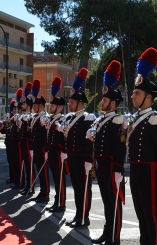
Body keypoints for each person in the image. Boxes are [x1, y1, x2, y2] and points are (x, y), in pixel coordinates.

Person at [127, 47, 157, 245]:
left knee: (151, 216)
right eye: (133, 93)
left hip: (149, 174)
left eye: (136, 93)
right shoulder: (135, 119)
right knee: (141, 217)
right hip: (136, 172)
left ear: (149, 97)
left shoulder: (156, 118)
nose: (132, 97)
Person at [86, 60, 126, 245]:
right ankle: (106, 232)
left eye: (104, 100)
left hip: (111, 169)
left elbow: (120, 147)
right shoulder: (102, 120)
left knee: (114, 204)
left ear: (113, 102)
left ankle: (114, 236)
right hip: (101, 168)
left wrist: (118, 169)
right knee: (106, 203)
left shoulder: (117, 120)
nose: (102, 102)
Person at [57, 68, 96, 227]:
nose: (69, 104)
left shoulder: (88, 118)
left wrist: (88, 159)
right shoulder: (69, 118)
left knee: (84, 189)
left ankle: (84, 217)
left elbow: (89, 141)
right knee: (76, 188)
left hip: (82, 160)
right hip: (72, 159)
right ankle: (78, 214)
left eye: (72, 102)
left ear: (80, 103)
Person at [45, 76, 67, 213]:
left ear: (59, 107)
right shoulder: (51, 119)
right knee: (54, 177)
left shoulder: (63, 118)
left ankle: (61, 202)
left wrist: (63, 151)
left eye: (52, 106)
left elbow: (64, 134)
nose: (50, 107)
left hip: (59, 153)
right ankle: (56, 200)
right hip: (51, 152)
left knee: (60, 178)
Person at [29, 79, 50, 203]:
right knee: (39, 170)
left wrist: (47, 149)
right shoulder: (36, 117)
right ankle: (42, 191)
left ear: (41, 106)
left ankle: (45, 192)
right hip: (36, 147)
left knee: (43, 171)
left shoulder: (44, 117)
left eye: (35, 105)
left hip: (42, 147)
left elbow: (46, 135)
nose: (33, 107)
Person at [18, 82, 35, 195]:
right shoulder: (23, 115)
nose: (22, 106)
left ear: (28, 105)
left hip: (28, 143)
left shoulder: (31, 116)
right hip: (23, 142)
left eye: (23, 104)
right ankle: (27, 185)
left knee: (29, 165)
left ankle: (31, 186)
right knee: (25, 164)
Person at [10, 88, 25, 189]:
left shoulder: (21, 118)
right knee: (15, 162)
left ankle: (20, 182)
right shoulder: (15, 118)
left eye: (16, 109)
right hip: (13, 142)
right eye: (14, 109)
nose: (14, 111)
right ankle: (16, 180)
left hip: (19, 142)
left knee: (19, 163)